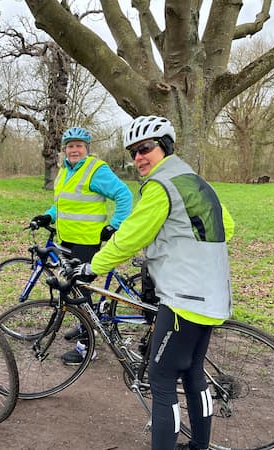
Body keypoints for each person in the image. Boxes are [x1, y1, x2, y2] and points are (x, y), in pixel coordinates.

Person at [73, 115, 235, 450]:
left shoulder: (161, 186)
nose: (138, 158)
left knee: (160, 381)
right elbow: (225, 226)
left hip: (183, 298)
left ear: (165, 147)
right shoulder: (192, 179)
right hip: (213, 295)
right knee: (192, 376)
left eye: (145, 148)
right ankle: (198, 447)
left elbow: (130, 237)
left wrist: (92, 268)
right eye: (133, 152)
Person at [30, 126, 133, 365]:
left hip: (86, 242)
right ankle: (82, 323)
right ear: (64, 150)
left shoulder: (95, 170)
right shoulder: (65, 171)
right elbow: (64, 205)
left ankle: (87, 346)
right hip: (67, 239)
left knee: (79, 291)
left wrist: (115, 224)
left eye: (78, 145)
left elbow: (124, 195)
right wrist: (48, 216)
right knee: (76, 290)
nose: (74, 149)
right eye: (70, 146)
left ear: (87, 149)